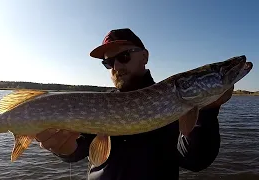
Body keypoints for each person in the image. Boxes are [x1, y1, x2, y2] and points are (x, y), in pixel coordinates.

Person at [35, 28, 234, 180]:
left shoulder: (171, 102)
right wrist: (63, 148)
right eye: (108, 62)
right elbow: (79, 149)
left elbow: (195, 160)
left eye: (123, 57)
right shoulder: (99, 104)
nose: (116, 66)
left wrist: (207, 110)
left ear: (144, 56)